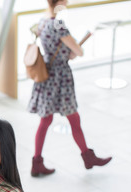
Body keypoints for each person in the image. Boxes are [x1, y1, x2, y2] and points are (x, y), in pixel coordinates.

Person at [28, 0, 112, 177]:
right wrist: (76, 48)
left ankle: (37, 163)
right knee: (74, 119)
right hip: (60, 78)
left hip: (47, 76)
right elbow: (77, 52)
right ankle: (88, 157)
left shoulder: (43, 21)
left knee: (46, 121)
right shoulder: (58, 25)